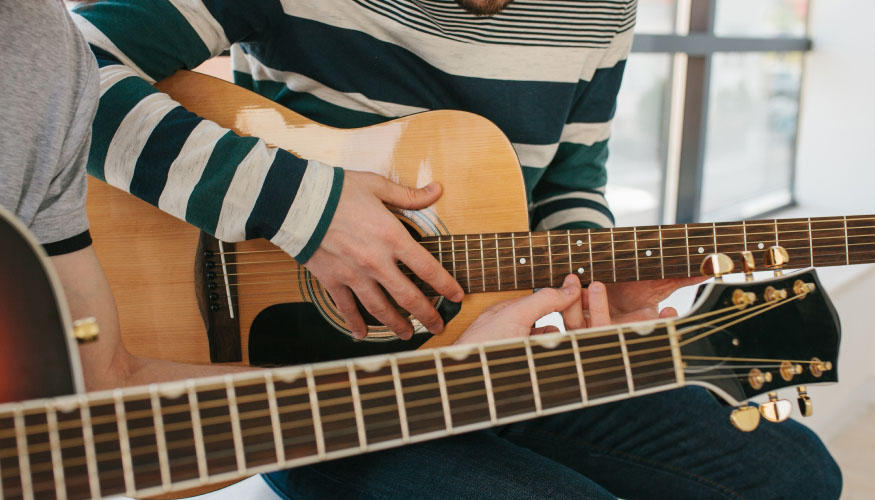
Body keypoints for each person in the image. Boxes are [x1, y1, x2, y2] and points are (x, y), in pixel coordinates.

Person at [63, 1, 843, 499]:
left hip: (500, 359)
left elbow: (572, 177)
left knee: (798, 476)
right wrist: (307, 210)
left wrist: (588, 273)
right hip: (309, 383)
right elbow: (66, 73)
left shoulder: (600, 9)